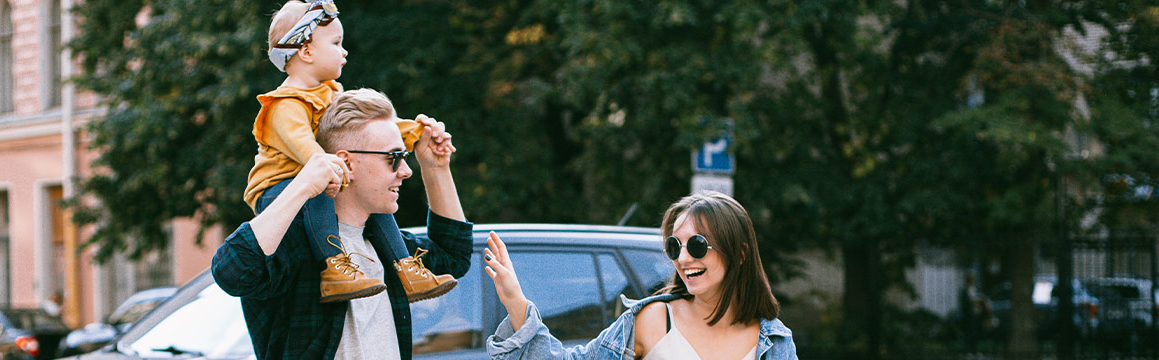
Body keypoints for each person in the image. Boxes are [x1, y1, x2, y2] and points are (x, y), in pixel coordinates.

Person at [212, 88, 472, 360]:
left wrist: (436, 168)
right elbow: (231, 271)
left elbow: (454, 256)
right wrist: (304, 183)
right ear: (346, 161)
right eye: (393, 158)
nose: (406, 171)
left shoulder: (388, 246)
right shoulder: (296, 246)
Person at [243, 0, 454, 303]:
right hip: (279, 189)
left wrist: (417, 133)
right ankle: (334, 269)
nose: (344, 51)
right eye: (336, 43)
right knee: (320, 190)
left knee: (372, 195)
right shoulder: (284, 104)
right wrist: (324, 167)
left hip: (319, 175)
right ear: (306, 51)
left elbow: (371, 128)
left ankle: (406, 269)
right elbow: (304, 145)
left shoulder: (332, 93)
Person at [483, 191, 798, 359]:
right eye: (675, 246)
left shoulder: (773, 340)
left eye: (698, 245)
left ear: (740, 253)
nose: (684, 258)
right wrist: (516, 302)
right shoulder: (653, 319)